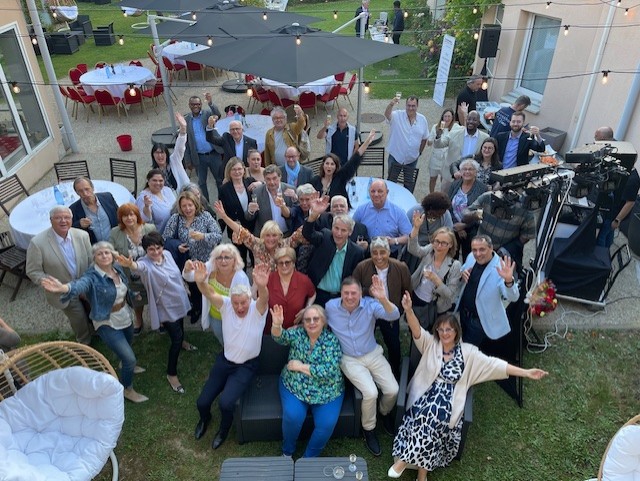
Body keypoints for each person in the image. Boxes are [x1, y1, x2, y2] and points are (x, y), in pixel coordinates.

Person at [388, 295, 548, 481]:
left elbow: (495, 365)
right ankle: (422, 475)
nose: (445, 333)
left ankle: (405, 461)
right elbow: (416, 329)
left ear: (456, 331)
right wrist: (408, 310)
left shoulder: (469, 353)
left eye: (449, 329)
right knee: (427, 414)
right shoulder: (431, 345)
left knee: (434, 417)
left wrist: (526, 372)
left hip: (449, 400)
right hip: (425, 394)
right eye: (441, 330)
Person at [40, 241, 148, 403]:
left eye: (107, 252)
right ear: (94, 258)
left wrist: (133, 294)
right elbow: (79, 285)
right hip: (106, 321)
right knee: (130, 358)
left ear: (112, 255)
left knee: (128, 345)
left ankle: (124, 363)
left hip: (125, 315)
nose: (104, 256)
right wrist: (64, 288)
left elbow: (123, 287)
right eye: (100, 253)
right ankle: (127, 389)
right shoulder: (92, 276)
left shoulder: (117, 269)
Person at [192, 262, 270, 450]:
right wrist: (200, 282)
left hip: (246, 366)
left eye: (243, 302)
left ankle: (223, 429)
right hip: (225, 361)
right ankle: (205, 418)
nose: (240, 307)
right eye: (236, 303)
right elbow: (209, 293)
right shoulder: (226, 305)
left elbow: (264, 299)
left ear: (249, 299)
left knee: (226, 403)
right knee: (202, 402)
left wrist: (261, 286)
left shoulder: (257, 309)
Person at [325, 276, 400, 456]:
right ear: (341, 294)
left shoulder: (370, 305)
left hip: (372, 353)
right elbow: (317, 319)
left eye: (354, 293)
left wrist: (382, 298)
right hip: (349, 359)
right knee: (371, 392)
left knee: (392, 390)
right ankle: (369, 430)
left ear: (360, 293)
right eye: (346, 293)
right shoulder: (330, 307)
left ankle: (383, 412)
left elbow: (394, 314)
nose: (350, 297)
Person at [116, 232, 192, 394]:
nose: (156, 252)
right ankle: (171, 374)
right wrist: (130, 265)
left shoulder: (168, 254)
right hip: (164, 305)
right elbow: (138, 268)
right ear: (145, 250)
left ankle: (183, 342)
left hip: (178, 299)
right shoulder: (145, 264)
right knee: (176, 339)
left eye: (158, 248)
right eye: (151, 249)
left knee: (180, 324)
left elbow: (177, 274)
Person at [271, 304, 344, 458]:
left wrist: (300, 366)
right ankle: (287, 452)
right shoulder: (298, 333)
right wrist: (277, 324)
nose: (312, 322)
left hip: (327, 392)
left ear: (323, 321)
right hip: (295, 387)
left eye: (316, 319)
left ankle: (308, 459)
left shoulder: (331, 341)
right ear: (302, 322)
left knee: (326, 424)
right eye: (307, 319)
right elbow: (279, 337)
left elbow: (328, 371)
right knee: (293, 416)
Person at [26, 206, 94, 345]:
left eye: (67, 217)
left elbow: (91, 260)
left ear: (72, 219)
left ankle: (97, 331)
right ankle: (84, 343)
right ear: (51, 220)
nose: (63, 221)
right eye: (58, 218)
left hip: (84, 285)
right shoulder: (37, 243)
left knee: (93, 310)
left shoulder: (82, 235)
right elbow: (33, 271)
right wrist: (51, 284)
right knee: (78, 319)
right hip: (63, 291)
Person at [352, 236, 411, 379]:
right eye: (375, 253)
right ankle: (364, 371)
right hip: (368, 312)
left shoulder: (400, 267)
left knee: (393, 344)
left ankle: (395, 371)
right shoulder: (362, 267)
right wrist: (368, 291)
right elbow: (354, 289)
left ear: (389, 252)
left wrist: (400, 310)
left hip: (389, 310)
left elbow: (407, 289)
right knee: (364, 341)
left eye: (382, 252)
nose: (379, 257)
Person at [163, 190, 222, 323]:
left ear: (195, 204)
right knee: (191, 286)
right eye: (184, 206)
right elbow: (165, 238)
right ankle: (195, 307)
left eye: (190, 205)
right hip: (185, 261)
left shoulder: (205, 216)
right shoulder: (176, 219)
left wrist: (204, 236)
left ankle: (202, 308)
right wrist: (177, 246)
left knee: (202, 286)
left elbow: (218, 235)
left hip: (204, 260)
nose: (187, 209)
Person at [456, 235, 519, 346]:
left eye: (482, 249)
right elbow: (464, 268)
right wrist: (462, 273)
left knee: (467, 350)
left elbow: (513, 297)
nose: (478, 254)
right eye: (474, 250)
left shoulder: (501, 268)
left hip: (479, 320)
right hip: (463, 313)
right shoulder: (471, 256)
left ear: (491, 248)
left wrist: (509, 280)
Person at [303, 196, 365, 306]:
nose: (339, 233)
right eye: (336, 228)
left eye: (343, 230)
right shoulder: (325, 237)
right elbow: (308, 233)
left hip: (340, 299)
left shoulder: (357, 252)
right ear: (332, 227)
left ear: (350, 232)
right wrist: (314, 214)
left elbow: (355, 278)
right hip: (317, 295)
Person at [183, 244, 250, 345]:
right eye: (219, 257)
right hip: (215, 316)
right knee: (222, 339)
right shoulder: (210, 268)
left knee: (235, 340)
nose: (223, 261)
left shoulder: (241, 277)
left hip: (233, 318)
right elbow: (190, 276)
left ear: (235, 260)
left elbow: (247, 303)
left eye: (227, 257)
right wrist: (187, 269)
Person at [214, 200, 303, 271]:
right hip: (262, 287)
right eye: (267, 235)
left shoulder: (286, 244)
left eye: (274, 235)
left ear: (280, 236)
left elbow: (301, 232)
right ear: (262, 236)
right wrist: (224, 217)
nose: (271, 239)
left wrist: (314, 214)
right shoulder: (256, 244)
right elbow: (241, 230)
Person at [108, 203, 156, 335]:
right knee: (137, 300)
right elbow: (110, 249)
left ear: (137, 215)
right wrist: (115, 255)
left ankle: (160, 320)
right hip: (131, 275)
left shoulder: (149, 228)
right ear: (120, 218)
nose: (129, 218)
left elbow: (158, 246)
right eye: (125, 216)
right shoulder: (115, 232)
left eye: (131, 214)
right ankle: (139, 320)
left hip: (150, 273)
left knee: (156, 297)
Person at [408, 219, 461, 328]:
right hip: (417, 298)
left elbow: (450, 295)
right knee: (415, 328)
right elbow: (414, 249)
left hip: (436, 306)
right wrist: (416, 228)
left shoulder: (454, 265)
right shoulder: (430, 250)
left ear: (450, 244)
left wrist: (435, 279)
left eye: (443, 243)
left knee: (432, 332)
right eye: (436, 241)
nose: (438, 246)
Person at [462, 190, 536, 268]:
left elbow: (527, 235)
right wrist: (474, 214)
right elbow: (465, 213)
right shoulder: (488, 197)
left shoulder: (524, 208)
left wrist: (506, 249)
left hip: (504, 259)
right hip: (480, 252)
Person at [311, 130, 376, 204]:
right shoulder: (315, 181)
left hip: (339, 211)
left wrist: (368, 141)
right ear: (323, 165)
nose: (329, 166)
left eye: (332, 164)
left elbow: (355, 158)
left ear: (336, 167)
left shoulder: (340, 177)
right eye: (327, 163)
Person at [353, 179, 412, 257]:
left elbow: (410, 236)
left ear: (387, 192)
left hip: (388, 254)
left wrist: (393, 241)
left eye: (380, 191)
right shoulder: (361, 210)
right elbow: (351, 229)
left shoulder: (397, 212)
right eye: (373, 191)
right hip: (366, 253)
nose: (376, 194)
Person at [433, 110, 488, 193]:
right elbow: (438, 145)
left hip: (471, 179)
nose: (471, 122)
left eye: (474, 120)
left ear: (479, 122)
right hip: (450, 176)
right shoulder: (453, 134)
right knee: (444, 202)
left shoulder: (485, 138)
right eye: (469, 119)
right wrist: (438, 135)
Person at [266, 247, 316, 333]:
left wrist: (307, 308)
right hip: (271, 331)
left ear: (293, 263)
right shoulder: (268, 279)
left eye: (287, 262)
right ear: (276, 265)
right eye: (280, 263)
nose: (284, 266)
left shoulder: (303, 280)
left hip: (295, 332)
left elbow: (313, 294)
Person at [217, 157, 257, 264]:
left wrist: (260, 184)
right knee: (240, 261)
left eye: (239, 169)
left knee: (256, 258)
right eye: (234, 169)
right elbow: (223, 211)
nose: (237, 172)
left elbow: (264, 189)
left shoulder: (251, 182)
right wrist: (218, 232)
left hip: (253, 228)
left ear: (244, 170)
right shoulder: (224, 189)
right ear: (229, 172)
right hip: (236, 229)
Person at [184, 94, 223, 201]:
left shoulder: (207, 114)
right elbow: (186, 143)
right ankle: (206, 207)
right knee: (201, 183)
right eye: (193, 104)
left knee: (220, 180)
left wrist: (210, 103)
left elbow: (218, 115)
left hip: (214, 153)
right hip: (199, 157)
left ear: (201, 105)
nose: (195, 106)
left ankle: (223, 202)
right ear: (189, 105)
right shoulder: (186, 120)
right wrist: (188, 160)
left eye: (198, 104)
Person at [384, 96, 429, 187]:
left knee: (409, 185)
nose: (410, 108)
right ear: (405, 105)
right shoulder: (397, 115)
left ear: (417, 106)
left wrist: (419, 152)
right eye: (408, 105)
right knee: (391, 183)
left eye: (413, 106)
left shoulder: (422, 119)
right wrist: (391, 104)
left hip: (412, 159)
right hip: (396, 157)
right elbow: (387, 114)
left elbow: (425, 138)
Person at [448, 159, 489, 258]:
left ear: (476, 172)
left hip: (472, 230)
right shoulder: (454, 184)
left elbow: (483, 213)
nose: (467, 172)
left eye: (471, 169)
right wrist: (456, 226)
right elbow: (448, 206)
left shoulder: (483, 189)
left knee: (469, 258)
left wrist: (464, 226)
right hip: (454, 227)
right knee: (452, 257)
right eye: (464, 169)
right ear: (461, 172)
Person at [246, 165, 298, 237]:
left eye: (274, 178)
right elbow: (249, 217)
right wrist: (251, 211)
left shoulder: (290, 189)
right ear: (264, 179)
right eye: (268, 179)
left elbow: (297, 212)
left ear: (280, 177)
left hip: (287, 235)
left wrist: (295, 198)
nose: (272, 182)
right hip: (266, 237)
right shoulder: (257, 192)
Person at [69, 177, 118, 244]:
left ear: (92, 188)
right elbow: (69, 230)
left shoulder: (107, 197)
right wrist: (79, 224)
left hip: (115, 243)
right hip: (95, 249)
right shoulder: (74, 209)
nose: (85, 193)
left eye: (87, 189)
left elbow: (120, 215)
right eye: (80, 191)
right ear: (77, 193)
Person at [151, 112, 190, 192]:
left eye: (162, 153)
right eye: (157, 153)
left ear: (166, 154)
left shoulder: (174, 160)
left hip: (185, 194)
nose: (160, 156)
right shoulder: (154, 173)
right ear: (153, 155)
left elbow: (180, 146)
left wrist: (183, 128)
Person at [427, 108, 460, 193]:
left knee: (444, 180)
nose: (447, 118)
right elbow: (429, 142)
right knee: (432, 178)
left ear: (452, 118)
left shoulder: (455, 128)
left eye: (449, 116)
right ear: (442, 117)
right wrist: (435, 136)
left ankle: (442, 196)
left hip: (446, 158)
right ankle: (431, 194)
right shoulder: (436, 127)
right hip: (436, 157)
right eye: (445, 116)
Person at [136, 168, 176, 233]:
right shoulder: (143, 197)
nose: (158, 183)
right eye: (154, 180)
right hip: (158, 235)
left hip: (174, 230)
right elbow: (142, 220)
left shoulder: (167, 190)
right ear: (148, 181)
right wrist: (146, 207)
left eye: (161, 181)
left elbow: (176, 206)